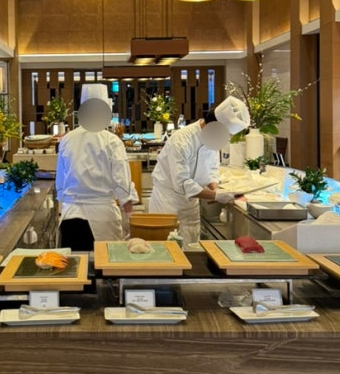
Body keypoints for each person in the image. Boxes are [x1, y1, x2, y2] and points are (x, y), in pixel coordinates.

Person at [148, 96, 250, 246]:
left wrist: (217, 189)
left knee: (191, 249)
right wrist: (216, 195)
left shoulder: (213, 138)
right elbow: (182, 183)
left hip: (191, 205)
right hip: (168, 204)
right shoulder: (181, 140)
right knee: (167, 250)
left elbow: (212, 169)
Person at [56, 83, 134, 250]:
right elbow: (122, 183)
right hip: (102, 217)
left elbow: (60, 182)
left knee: (76, 264)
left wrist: (63, 207)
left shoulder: (67, 139)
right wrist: (130, 215)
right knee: (105, 263)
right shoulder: (112, 141)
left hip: (71, 216)